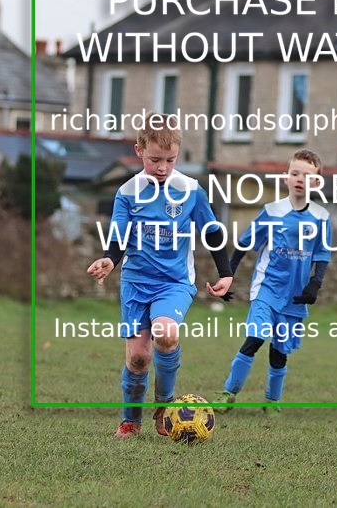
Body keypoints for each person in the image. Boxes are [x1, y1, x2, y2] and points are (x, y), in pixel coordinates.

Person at [86, 114, 233, 438]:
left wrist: (226, 273)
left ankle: (164, 408)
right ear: (139, 151)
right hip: (136, 283)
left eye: (170, 160)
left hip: (174, 283)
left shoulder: (190, 191)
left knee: (166, 334)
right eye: (155, 160)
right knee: (139, 358)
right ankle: (130, 420)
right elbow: (119, 237)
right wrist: (109, 260)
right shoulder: (127, 193)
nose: (163, 167)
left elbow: (211, 232)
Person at [214, 149, 331, 414]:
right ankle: (228, 393)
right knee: (256, 337)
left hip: (294, 296)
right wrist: (228, 276)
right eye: (295, 173)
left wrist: (315, 284)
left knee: (280, 351)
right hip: (266, 288)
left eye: (307, 175)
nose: (300, 179)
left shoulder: (321, 217)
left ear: (317, 182)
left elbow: (322, 255)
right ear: (286, 177)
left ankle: (272, 402)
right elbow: (243, 244)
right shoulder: (272, 211)